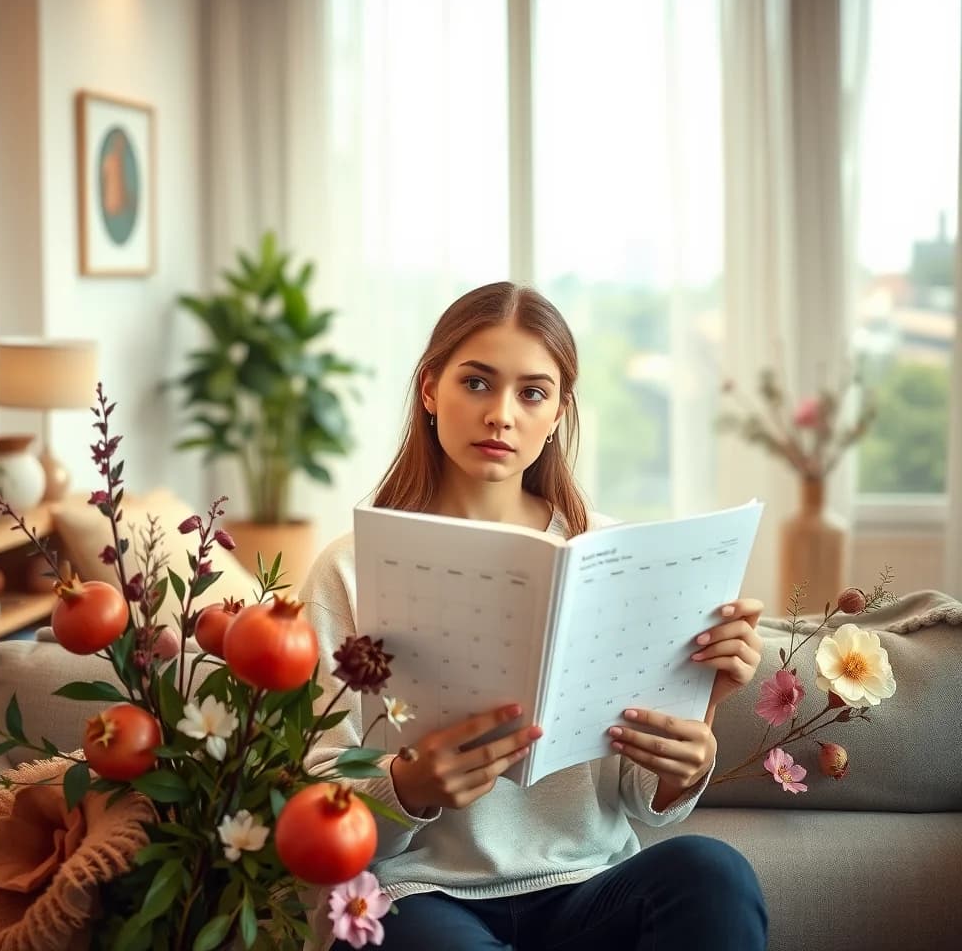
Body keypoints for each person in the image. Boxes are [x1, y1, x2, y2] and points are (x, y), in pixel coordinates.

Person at [300, 281, 768, 951]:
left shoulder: (614, 557)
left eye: (532, 392)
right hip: (422, 896)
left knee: (713, 872)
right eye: (477, 383)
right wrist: (408, 785)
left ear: (557, 413)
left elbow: (641, 799)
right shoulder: (350, 568)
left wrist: (701, 718)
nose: (501, 414)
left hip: (588, 886)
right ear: (430, 390)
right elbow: (318, 789)